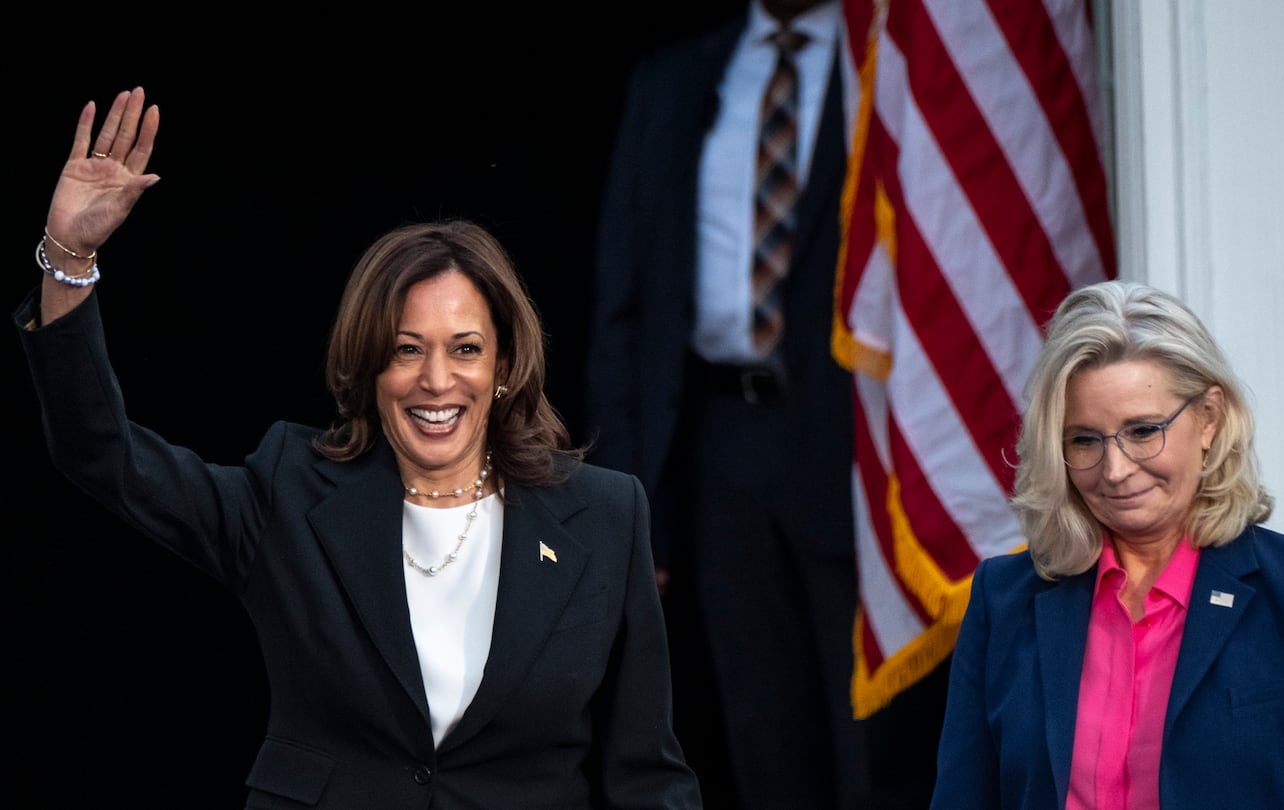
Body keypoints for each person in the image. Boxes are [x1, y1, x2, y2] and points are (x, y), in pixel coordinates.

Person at [16, 87, 702, 809]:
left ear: (503, 367)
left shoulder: (603, 514)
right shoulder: (289, 492)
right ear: (369, 367)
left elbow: (646, 775)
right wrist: (71, 256)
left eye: (464, 348)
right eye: (406, 350)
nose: (436, 381)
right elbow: (102, 455)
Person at [582, 0, 948, 807]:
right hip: (718, 446)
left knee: (878, 747)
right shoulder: (673, 81)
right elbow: (625, 306)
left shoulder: (894, 67)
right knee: (761, 736)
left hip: (864, 448)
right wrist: (625, 495)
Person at [928, 279, 1284, 808]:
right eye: (1084, 439)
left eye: (1142, 430)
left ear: (1209, 418)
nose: (1115, 468)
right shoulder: (1004, 598)